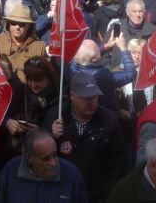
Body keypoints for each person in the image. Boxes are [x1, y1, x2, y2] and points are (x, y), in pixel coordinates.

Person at [46, 71, 128, 202]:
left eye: (94, 97)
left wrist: (109, 191)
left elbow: (121, 160)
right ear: (72, 96)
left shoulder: (109, 120)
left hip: (97, 194)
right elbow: (40, 155)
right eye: (86, 98)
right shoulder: (56, 116)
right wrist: (52, 137)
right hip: (63, 191)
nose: (91, 103)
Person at [0, 128, 89, 202]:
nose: (53, 163)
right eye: (46, 159)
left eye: (54, 155)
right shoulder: (11, 170)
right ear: (29, 158)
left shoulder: (71, 174)